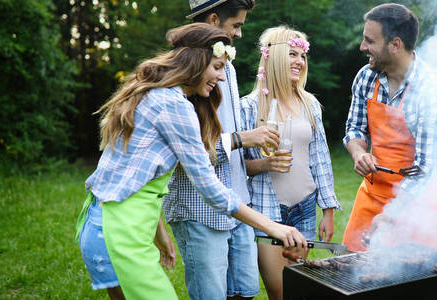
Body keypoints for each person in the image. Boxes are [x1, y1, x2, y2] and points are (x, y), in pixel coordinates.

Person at [75, 23, 307, 300]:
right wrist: (273, 226)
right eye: (218, 67)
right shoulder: (174, 105)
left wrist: (158, 231)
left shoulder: (152, 93)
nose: (222, 77)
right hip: (119, 233)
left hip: (100, 222)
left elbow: (133, 177)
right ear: (197, 63)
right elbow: (209, 187)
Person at [163, 1, 278, 300]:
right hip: (200, 209)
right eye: (236, 25)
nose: (240, 34)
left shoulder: (229, 70)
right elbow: (192, 155)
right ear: (214, 19)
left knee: (244, 291)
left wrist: (259, 158)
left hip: (238, 204)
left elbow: (233, 142)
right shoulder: (184, 81)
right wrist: (243, 138)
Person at [240, 25, 342, 300]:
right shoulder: (249, 107)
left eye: (303, 56)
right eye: (292, 54)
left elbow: (320, 158)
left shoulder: (309, 104)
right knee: (280, 291)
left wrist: (328, 209)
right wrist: (264, 165)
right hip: (267, 212)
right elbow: (235, 169)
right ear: (272, 59)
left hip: (305, 209)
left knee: (298, 289)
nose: (299, 61)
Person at [342, 3, 437, 252]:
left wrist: (392, 213)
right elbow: (354, 128)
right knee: (353, 272)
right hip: (372, 193)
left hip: (418, 202)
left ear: (395, 44)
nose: (362, 47)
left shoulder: (431, 90)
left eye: (369, 41)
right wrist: (359, 153)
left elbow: (425, 167)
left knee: (409, 277)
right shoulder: (365, 77)